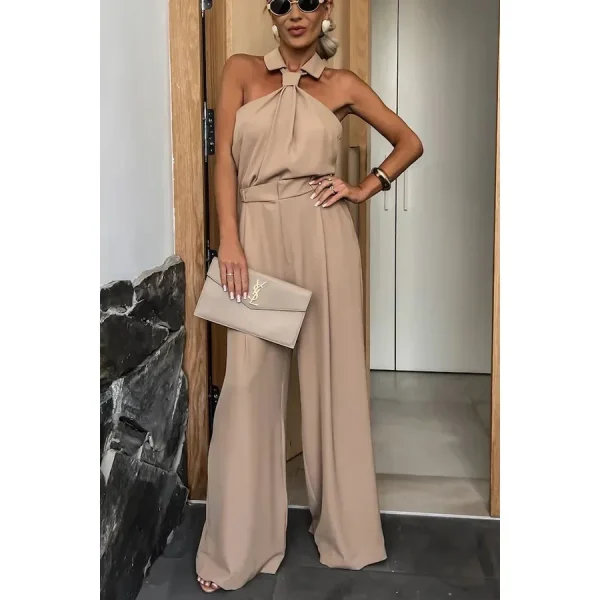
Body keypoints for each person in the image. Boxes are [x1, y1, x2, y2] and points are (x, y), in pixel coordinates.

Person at [197, 0, 423, 593]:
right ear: (271, 14)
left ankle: (348, 536)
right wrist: (230, 241)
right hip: (256, 238)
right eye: (281, 2)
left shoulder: (343, 84)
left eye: (308, 0)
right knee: (247, 386)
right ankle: (237, 548)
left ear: (325, 11)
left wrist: (364, 187)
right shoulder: (240, 69)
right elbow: (224, 163)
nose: (294, 12)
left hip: (324, 234)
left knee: (334, 384)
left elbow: (409, 141)